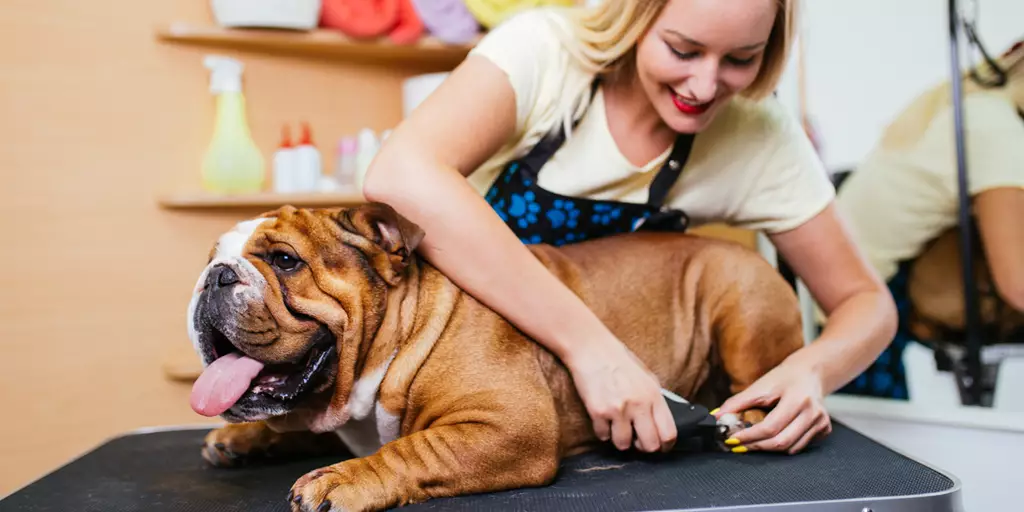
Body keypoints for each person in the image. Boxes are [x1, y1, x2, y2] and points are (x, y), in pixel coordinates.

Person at [363, 0, 897, 455]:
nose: (706, 84)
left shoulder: (759, 136)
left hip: (620, 424)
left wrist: (813, 371)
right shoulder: (546, 54)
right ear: (636, 17)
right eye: (683, 50)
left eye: (741, 58)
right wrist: (591, 349)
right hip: (461, 387)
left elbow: (866, 301)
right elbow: (398, 176)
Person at [834, 37, 1024, 400]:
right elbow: (1018, 285)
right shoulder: (996, 129)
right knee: (879, 449)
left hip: (850, 280)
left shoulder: (967, 104)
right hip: (861, 297)